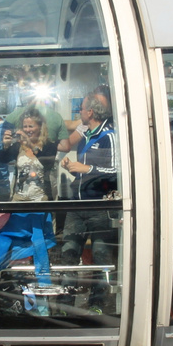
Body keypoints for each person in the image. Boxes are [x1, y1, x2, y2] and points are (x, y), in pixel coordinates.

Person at [57, 88, 118, 311]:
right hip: (78, 204)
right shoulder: (87, 136)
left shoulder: (108, 136)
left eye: (81, 109)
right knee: (68, 255)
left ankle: (97, 304)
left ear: (90, 112)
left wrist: (86, 167)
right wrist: (74, 169)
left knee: (101, 257)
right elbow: (90, 174)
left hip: (99, 208)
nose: (79, 112)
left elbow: (116, 171)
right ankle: (65, 304)